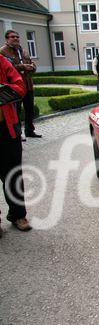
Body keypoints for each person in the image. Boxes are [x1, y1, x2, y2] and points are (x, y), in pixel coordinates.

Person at [0, 54, 31, 237]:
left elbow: (20, 87)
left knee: (12, 174)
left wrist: (4, 88)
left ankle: (18, 215)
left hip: (6, 128)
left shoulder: (3, 62)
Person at [0, 30, 41, 138]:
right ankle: (18, 133)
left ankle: (30, 131)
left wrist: (32, 67)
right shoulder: (3, 52)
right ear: (7, 39)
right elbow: (8, 69)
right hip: (14, 88)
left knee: (29, 110)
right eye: (12, 37)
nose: (16, 38)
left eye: (17, 37)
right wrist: (22, 67)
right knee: (16, 111)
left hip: (27, 85)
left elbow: (32, 63)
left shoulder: (23, 51)